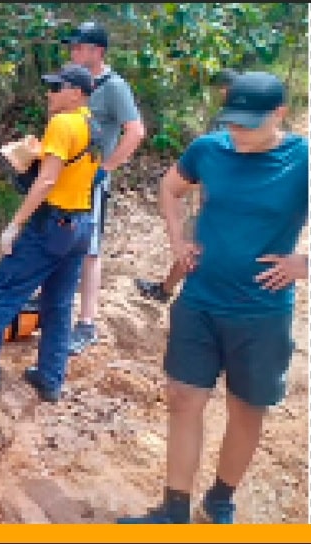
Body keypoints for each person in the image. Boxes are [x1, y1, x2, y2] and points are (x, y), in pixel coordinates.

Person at [117, 72, 308, 524]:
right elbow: (170, 188)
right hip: (201, 300)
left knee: (246, 408)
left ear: (278, 114)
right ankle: (174, 508)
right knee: (183, 396)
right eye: (232, 121)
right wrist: (177, 240)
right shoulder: (209, 150)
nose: (236, 132)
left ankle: (221, 498)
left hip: (262, 311)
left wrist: (305, 264)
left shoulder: (301, 159)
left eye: (247, 124)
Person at [0, 64, 100, 403]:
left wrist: (15, 224)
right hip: (82, 225)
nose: (50, 93)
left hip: (52, 224)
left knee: (2, 289)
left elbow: (47, 181)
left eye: (57, 87)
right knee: (58, 303)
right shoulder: (94, 126)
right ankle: (50, 378)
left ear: (76, 92)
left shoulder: (62, 123)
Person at [61, 21, 147, 355]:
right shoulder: (74, 81)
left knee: (89, 249)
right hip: (65, 179)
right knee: (60, 239)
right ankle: (54, 302)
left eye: (79, 47)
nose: (73, 52)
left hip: (91, 182)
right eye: (73, 47)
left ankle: (86, 323)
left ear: (97, 51)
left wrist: (106, 168)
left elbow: (135, 131)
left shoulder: (114, 87)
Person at [134, 68, 239, 304]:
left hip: (217, 197)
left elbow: (212, 161)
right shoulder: (246, 119)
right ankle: (167, 289)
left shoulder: (225, 118)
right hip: (226, 195)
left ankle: (169, 291)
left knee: (195, 245)